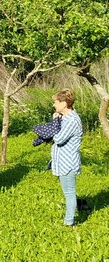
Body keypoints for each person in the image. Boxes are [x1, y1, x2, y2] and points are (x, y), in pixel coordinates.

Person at [50, 89, 82, 227]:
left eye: (55, 102)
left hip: (68, 163)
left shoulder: (72, 120)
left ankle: (69, 222)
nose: (54, 105)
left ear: (64, 103)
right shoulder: (64, 118)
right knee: (68, 191)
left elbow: (58, 138)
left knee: (69, 193)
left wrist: (54, 123)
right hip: (61, 161)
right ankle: (81, 206)